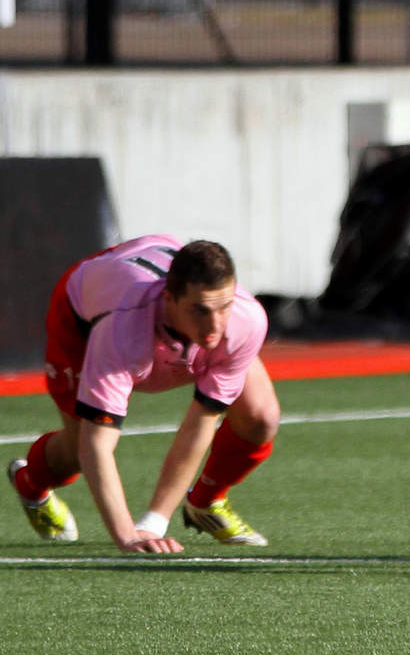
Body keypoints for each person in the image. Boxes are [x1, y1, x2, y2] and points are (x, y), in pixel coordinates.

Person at [6, 234, 279, 553]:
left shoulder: (246, 320)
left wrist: (153, 523)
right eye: (200, 310)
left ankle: (205, 503)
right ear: (169, 299)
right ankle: (31, 482)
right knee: (75, 451)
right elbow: (96, 446)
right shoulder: (122, 329)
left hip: (143, 282)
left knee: (261, 416)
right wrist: (128, 536)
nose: (215, 325)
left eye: (224, 307)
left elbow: (202, 421)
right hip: (82, 315)